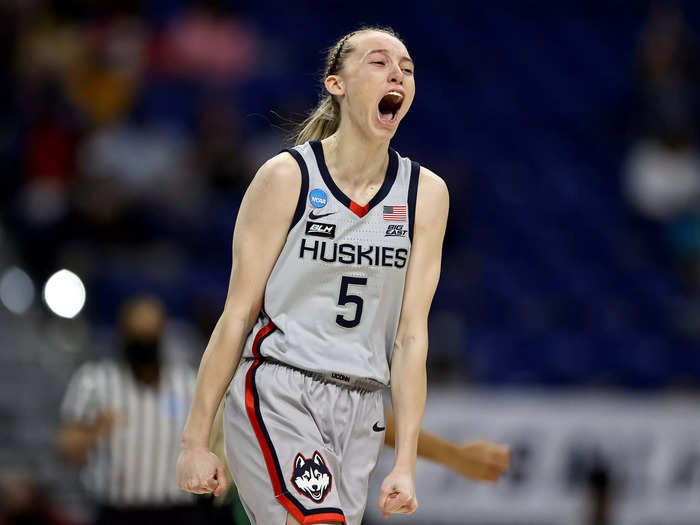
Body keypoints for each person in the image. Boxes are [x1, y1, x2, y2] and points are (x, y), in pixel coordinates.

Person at [177, 26, 453, 524]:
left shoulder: (426, 195)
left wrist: (406, 464)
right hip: (280, 387)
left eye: (407, 68)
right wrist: (195, 441)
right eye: (378, 61)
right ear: (336, 84)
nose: (398, 72)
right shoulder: (286, 178)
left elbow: (411, 337)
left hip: (363, 407)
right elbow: (236, 315)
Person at [58, 296, 204, 525]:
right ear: (122, 334)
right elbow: (67, 448)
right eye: (137, 336)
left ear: (162, 334)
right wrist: (96, 429)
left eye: (149, 335)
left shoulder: (187, 382)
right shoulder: (94, 381)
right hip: (118, 512)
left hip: (176, 512)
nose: (144, 343)